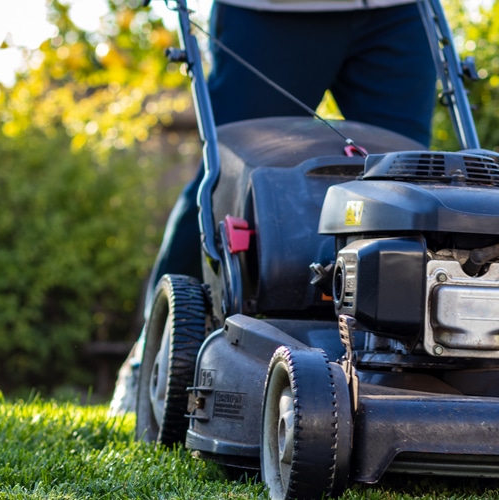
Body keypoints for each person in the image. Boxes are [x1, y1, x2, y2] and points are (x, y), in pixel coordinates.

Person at [109, 0, 438, 414]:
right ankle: (154, 350)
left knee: (406, 183)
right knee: (222, 178)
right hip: (270, 12)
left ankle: (402, 365)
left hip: (398, 12)